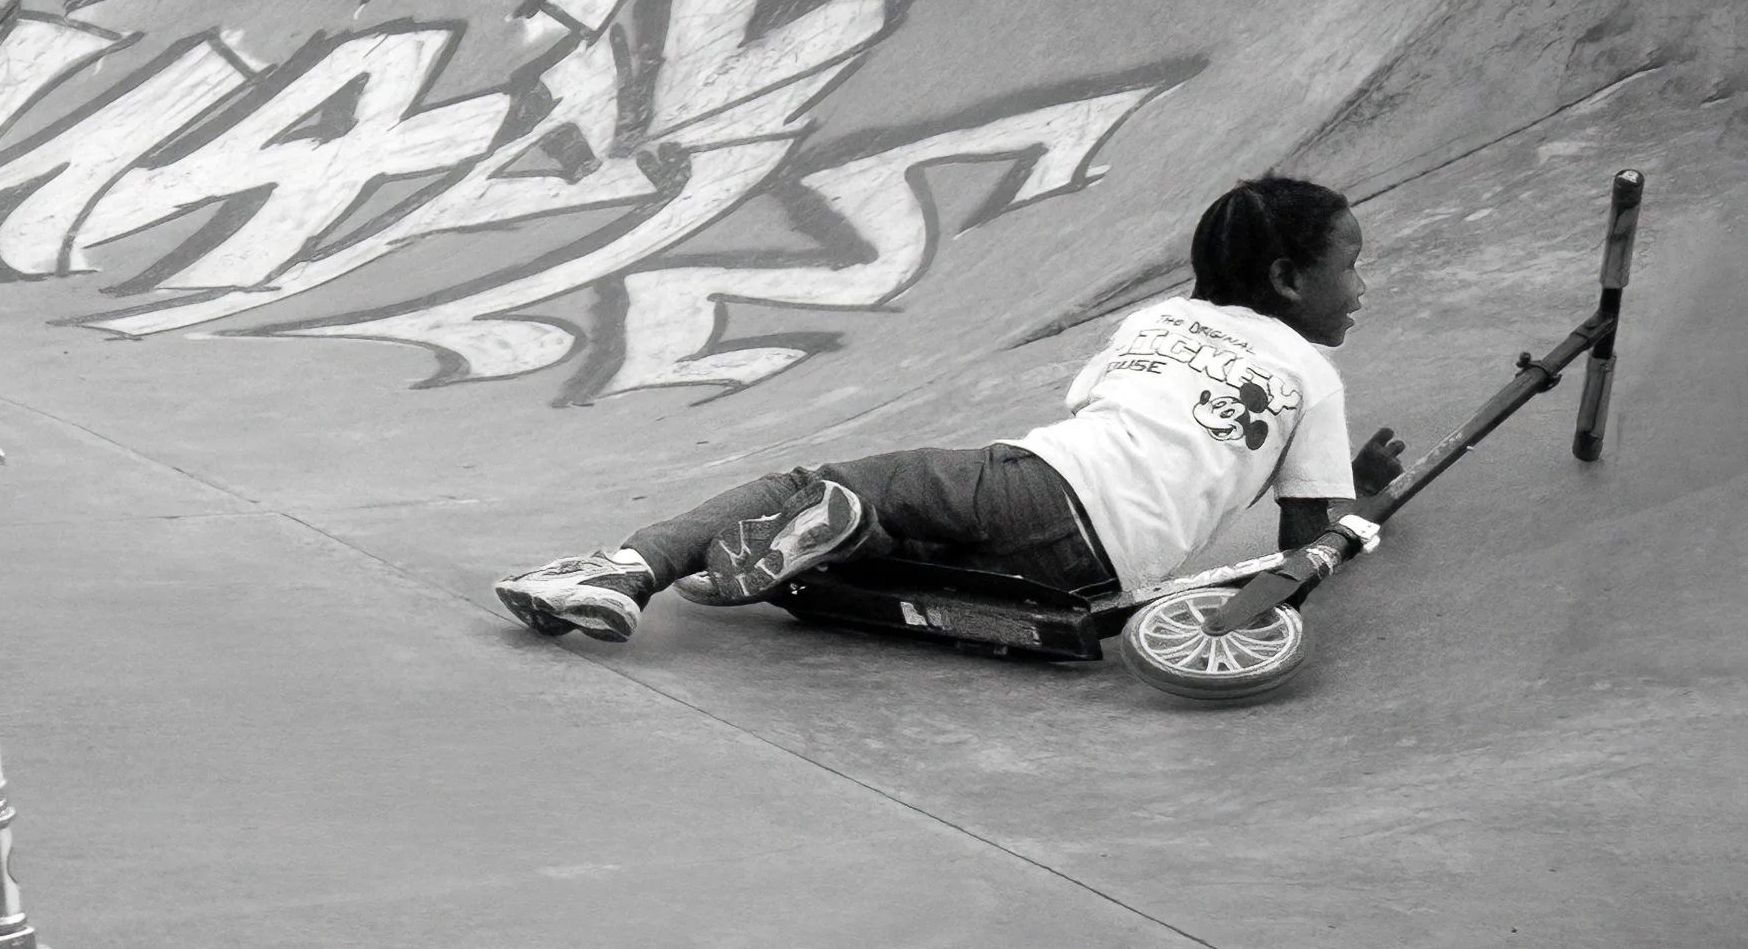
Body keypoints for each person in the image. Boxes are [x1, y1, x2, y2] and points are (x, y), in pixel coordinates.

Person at [495, 176, 1407, 644]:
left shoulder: (1157, 320)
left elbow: (1106, 421)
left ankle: (629, 569)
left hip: (1036, 483)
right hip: (1098, 574)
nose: (1362, 284)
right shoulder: (1313, 379)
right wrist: (1358, 498)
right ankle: (833, 542)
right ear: (1289, 279)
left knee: (821, 481)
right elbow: (1303, 553)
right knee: (916, 555)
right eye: (1353, 264)